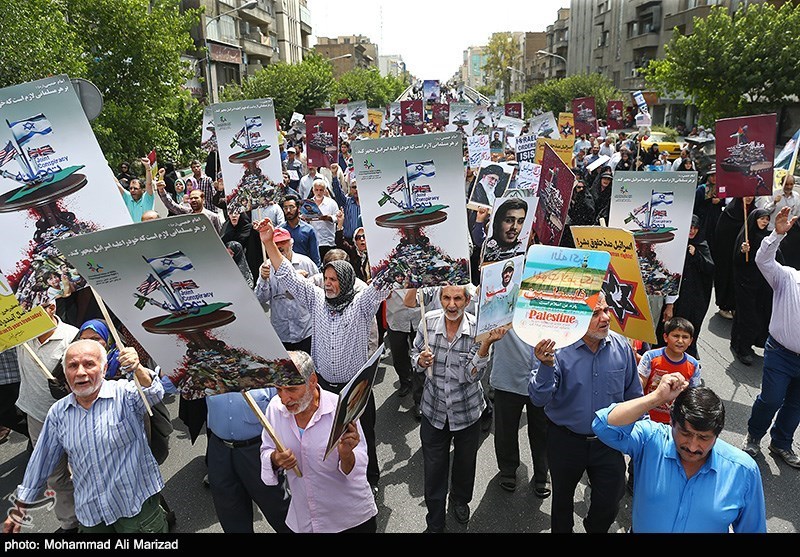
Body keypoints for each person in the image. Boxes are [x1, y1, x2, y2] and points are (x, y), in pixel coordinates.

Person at [256, 217, 390, 491]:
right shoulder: (316, 299)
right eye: (325, 278)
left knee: (363, 436)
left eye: (333, 280)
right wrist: (269, 242)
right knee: (328, 439)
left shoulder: (361, 303)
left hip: (356, 389)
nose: (328, 284)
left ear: (346, 281)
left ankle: (369, 481)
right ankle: (335, 480)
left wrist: (396, 244)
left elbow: (383, 284)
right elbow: (287, 276)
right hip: (325, 390)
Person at [3, 339, 168, 533]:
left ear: (104, 368)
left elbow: (154, 392)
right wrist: (20, 506)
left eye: (89, 364)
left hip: (136, 508)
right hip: (92, 514)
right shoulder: (58, 412)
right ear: (65, 373)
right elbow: (42, 459)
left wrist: (138, 368)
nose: (80, 372)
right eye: (73, 366)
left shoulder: (125, 394)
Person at [528, 292, 643, 533]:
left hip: (609, 441)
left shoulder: (622, 345)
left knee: (612, 498)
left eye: (606, 310)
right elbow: (539, 398)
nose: (605, 318)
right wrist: (546, 368)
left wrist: (643, 436)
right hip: (566, 440)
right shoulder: (553, 349)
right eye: (594, 313)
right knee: (562, 501)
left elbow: (633, 394)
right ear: (576, 318)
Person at [592, 374, 766, 533]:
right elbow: (603, 426)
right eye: (685, 433)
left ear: (717, 434)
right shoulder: (651, 439)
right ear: (671, 422)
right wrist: (655, 398)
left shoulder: (743, 471)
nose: (692, 446)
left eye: (704, 438)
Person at [412, 285, 508, 532]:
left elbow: (471, 376)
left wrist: (485, 345)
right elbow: (415, 354)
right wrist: (420, 361)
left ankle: (460, 500)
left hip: (467, 412)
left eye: (457, 298)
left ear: (467, 301)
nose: (451, 304)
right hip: (433, 411)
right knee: (433, 469)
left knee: (465, 464)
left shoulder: (479, 329)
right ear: (440, 299)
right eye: (446, 298)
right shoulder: (428, 321)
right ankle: (434, 519)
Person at [260, 351, 377, 533]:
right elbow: (266, 449)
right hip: (306, 520)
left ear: (312, 381)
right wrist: (275, 459)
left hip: (348, 520)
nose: (284, 399)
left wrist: (347, 454)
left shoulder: (339, 410)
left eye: (291, 389)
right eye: (278, 389)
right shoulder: (274, 409)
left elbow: (357, 472)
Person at [741, 207, 800, 469]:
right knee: (772, 399)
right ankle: (754, 435)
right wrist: (776, 233)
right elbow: (763, 260)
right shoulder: (787, 277)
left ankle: (781, 443)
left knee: (795, 406)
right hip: (780, 353)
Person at [14, 298, 79, 533]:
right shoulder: (20, 335)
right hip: (38, 417)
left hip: (72, 417)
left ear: (51, 308)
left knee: (87, 470)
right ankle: (70, 523)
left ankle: (98, 518)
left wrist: (68, 386)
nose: (24, 315)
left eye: (30, 310)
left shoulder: (72, 337)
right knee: (55, 475)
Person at [205, 387, 290, 533]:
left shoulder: (267, 371)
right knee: (230, 512)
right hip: (219, 450)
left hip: (258, 450)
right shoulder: (207, 369)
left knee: (279, 509)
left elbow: (286, 411)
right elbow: (171, 384)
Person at [490, 328, 549, 497]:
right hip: (509, 373)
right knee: (505, 429)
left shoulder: (553, 302)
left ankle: (542, 472)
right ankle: (507, 470)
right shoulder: (503, 302)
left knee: (543, 430)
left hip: (544, 375)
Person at [254, 226, 317, 354]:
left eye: (283, 242)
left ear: (291, 243)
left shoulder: (306, 263)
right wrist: (263, 279)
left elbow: (318, 293)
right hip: (282, 332)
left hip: (305, 330)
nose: (280, 246)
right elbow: (259, 298)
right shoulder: (266, 267)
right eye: (276, 243)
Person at [730, 208, 774, 365]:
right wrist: (743, 252)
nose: (764, 222)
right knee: (748, 317)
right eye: (762, 219)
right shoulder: (745, 237)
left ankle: (741, 341)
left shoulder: (767, 237)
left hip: (762, 284)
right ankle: (743, 348)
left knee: (759, 313)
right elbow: (736, 261)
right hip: (745, 284)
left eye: (767, 219)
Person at [638, 318, 702, 424]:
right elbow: (640, 383)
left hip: (673, 422)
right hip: (646, 417)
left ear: (691, 341)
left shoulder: (694, 365)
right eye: (676, 336)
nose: (680, 341)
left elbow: (694, 394)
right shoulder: (650, 357)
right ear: (665, 337)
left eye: (685, 337)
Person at [669, 215, 714, 359]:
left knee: (691, 324)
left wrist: (696, 255)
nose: (692, 231)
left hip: (695, 294)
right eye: (689, 227)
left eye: (695, 228)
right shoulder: (676, 242)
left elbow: (710, 268)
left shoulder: (702, 244)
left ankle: (689, 352)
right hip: (678, 294)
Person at [713, 196, 753, 319]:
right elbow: (721, 234)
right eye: (746, 195)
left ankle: (736, 306)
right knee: (727, 278)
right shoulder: (730, 212)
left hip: (744, 254)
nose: (749, 198)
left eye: (752, 196)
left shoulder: (753, 212)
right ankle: (724, 306)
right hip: (727, 254)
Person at [476, 198, 528, 264]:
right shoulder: (488, 245)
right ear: (497, 222)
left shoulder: (522, 249)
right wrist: (479, 220)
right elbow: (478, 239)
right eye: (509, 220)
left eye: (520, 221)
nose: (514, 227)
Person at [157, 184, 223, 236]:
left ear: (203, 199)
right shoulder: (187, 213)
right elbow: (172, 205)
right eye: (191, 198)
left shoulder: (213, 217)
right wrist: (162, 191)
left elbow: (220, 237)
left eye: (196, 198)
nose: (193, 200)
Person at [279, 194, 321, 268]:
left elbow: (315, 257)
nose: (288, 210)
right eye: (285, 208)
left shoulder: (309, 230)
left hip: (304, 269)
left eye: (291, 207)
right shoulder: (280, 230)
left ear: (298, 208)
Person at [302, 179, 339, 262]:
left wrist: (328, 218)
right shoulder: (308, 203)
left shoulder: (331, 203)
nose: (318, 192)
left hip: (327, 241)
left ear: (324, 190)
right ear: (313, 190)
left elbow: (337, 218)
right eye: (316, 190)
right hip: (313, 241)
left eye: (321, 190)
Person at [117, 157, 154, 222]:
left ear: (142, 190)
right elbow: (117, 184)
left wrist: (148, 168)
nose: (132, 190)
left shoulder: (147, 198)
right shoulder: (128, 197)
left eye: (135, 188)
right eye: (130, 188)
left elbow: (149, 184)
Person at [330, 163, 361, 242]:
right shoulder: (346, 202)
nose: (356, 189)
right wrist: (334, 175)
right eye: (354, 187)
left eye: (359, 187)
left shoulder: (366, 204)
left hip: (363, 240)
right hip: (348, 240)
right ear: (350, 189)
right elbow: (337, 192)